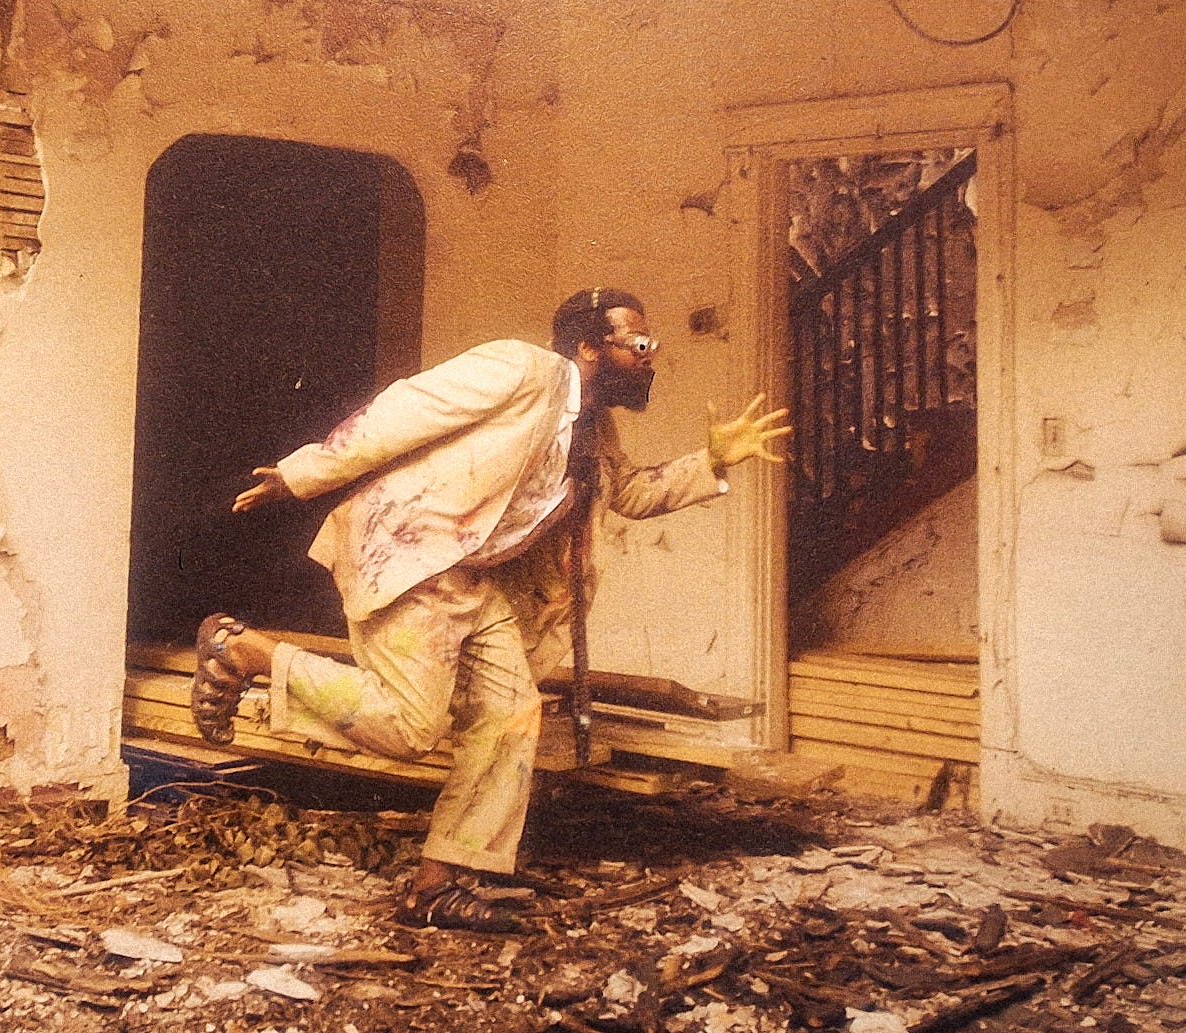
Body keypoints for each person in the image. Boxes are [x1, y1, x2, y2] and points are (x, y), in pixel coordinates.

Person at [189, 288, 790, 931]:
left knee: (508, 714)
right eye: (639, 346)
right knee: (409, 730)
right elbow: (407, 410)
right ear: (590, 347)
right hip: (413, 556)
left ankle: (438, 885)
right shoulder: (520, 369)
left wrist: (715, 461)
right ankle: (248, 651)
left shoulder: (594, 433)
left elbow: (634, 493)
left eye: (654, 348)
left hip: (472, 584)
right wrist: (303, 472)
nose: (651, 359)